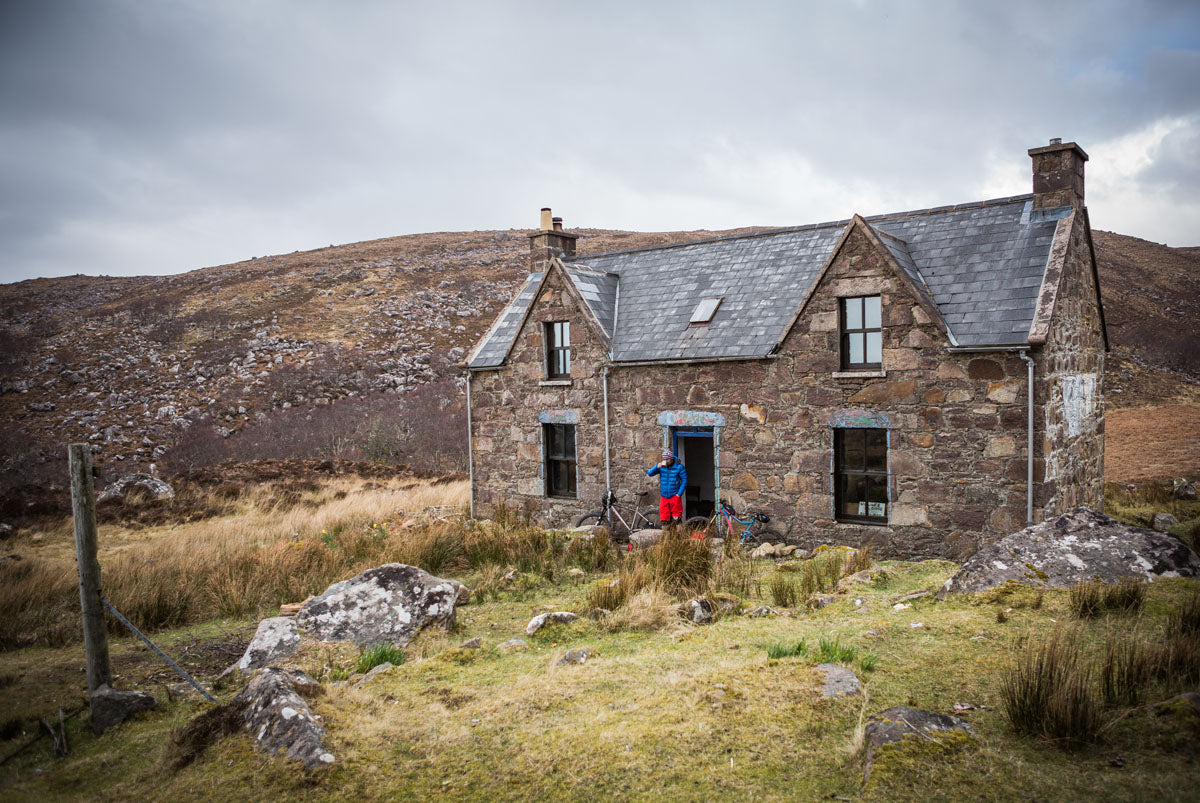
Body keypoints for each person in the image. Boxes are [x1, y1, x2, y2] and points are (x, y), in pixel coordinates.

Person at [647, 449, 687, 537]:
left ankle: (680, 538)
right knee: (664, 520)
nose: (665, 461)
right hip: (664, 496)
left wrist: (679, 494)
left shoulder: (679, 467)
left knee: (677, 519)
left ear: (671, 459)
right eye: (664, 459)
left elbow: (684, 480)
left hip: (675, 496)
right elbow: (649, 473)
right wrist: (657, 466)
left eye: (667, 459)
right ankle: (666, 540)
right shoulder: (661, 467)